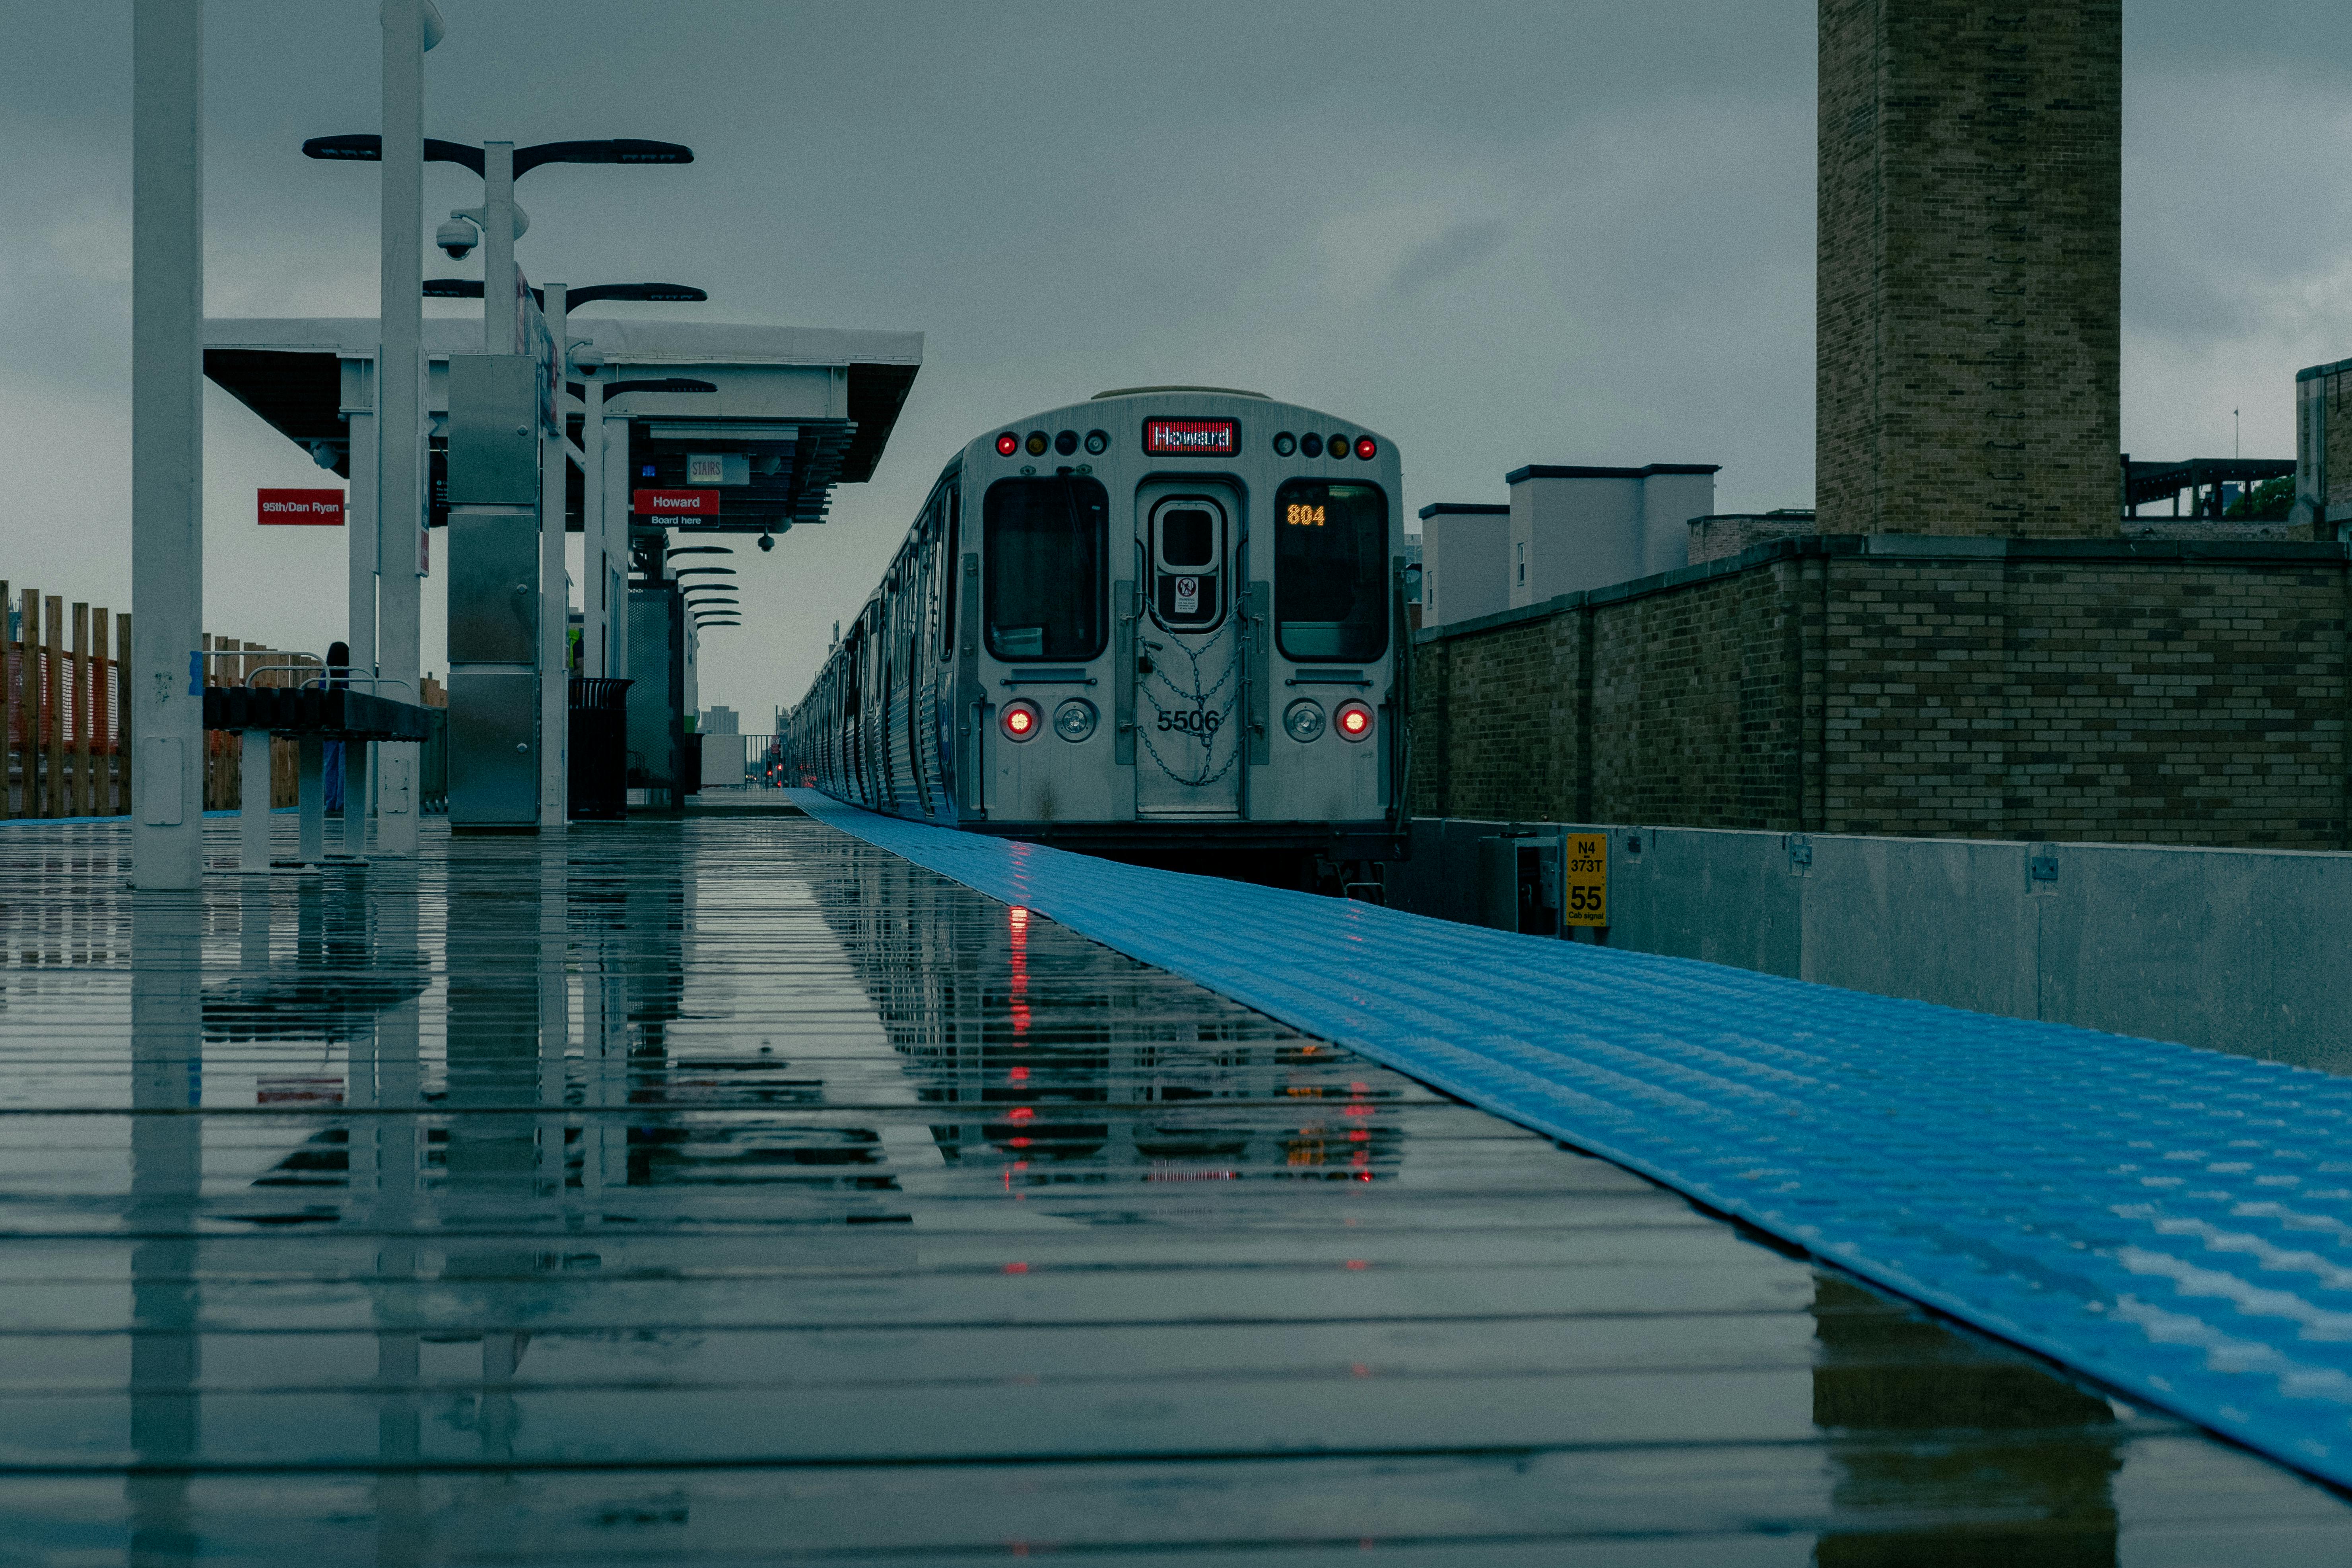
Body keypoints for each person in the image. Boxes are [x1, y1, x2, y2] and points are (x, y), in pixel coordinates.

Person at [323, 640, 349, 816]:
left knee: (330, 765)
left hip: (328, 726)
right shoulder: (352, 675)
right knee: (345, 764)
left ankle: (330, 802)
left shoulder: (325, 676)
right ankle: (342, 801)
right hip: (347, 725)